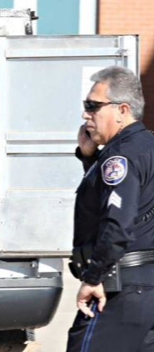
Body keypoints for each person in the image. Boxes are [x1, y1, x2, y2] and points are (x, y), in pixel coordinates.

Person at [67, 66, 154, 352]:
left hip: (121, 289)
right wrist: (90, 159)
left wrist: (93, 278)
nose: (85, 115)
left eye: (93, 106)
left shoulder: (119, 158)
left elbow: (117, 224)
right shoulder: (146, 147)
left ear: (122, 110)